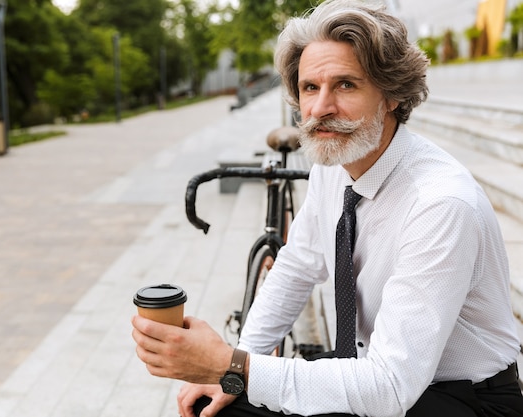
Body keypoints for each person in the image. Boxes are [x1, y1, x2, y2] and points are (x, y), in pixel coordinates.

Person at [131, 0, 523, 415]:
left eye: (346, 85)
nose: (319, 109)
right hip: (373, 372)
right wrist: (232, 368)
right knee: (218, 408)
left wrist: (231, 364)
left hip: (460, 398)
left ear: (391, 94)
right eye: (310, 88)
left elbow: (390, 388)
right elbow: (299, 266)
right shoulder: (333, 166)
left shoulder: (439, 204)